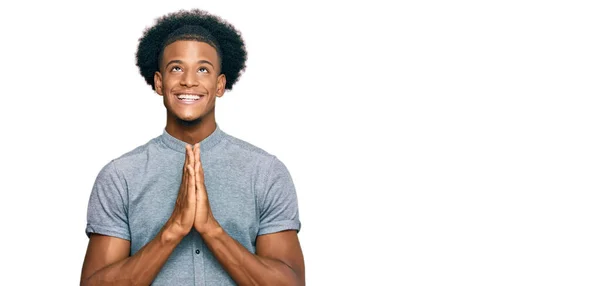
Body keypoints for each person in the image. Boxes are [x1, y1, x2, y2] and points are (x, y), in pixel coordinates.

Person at [80, 9, 304, 285]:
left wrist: (212, 230)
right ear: (159, 82)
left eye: (203, 69)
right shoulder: (119, 177)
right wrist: (173, 229)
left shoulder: (266, 172)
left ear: (220, 84)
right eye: (176, 68)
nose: (189, 80)